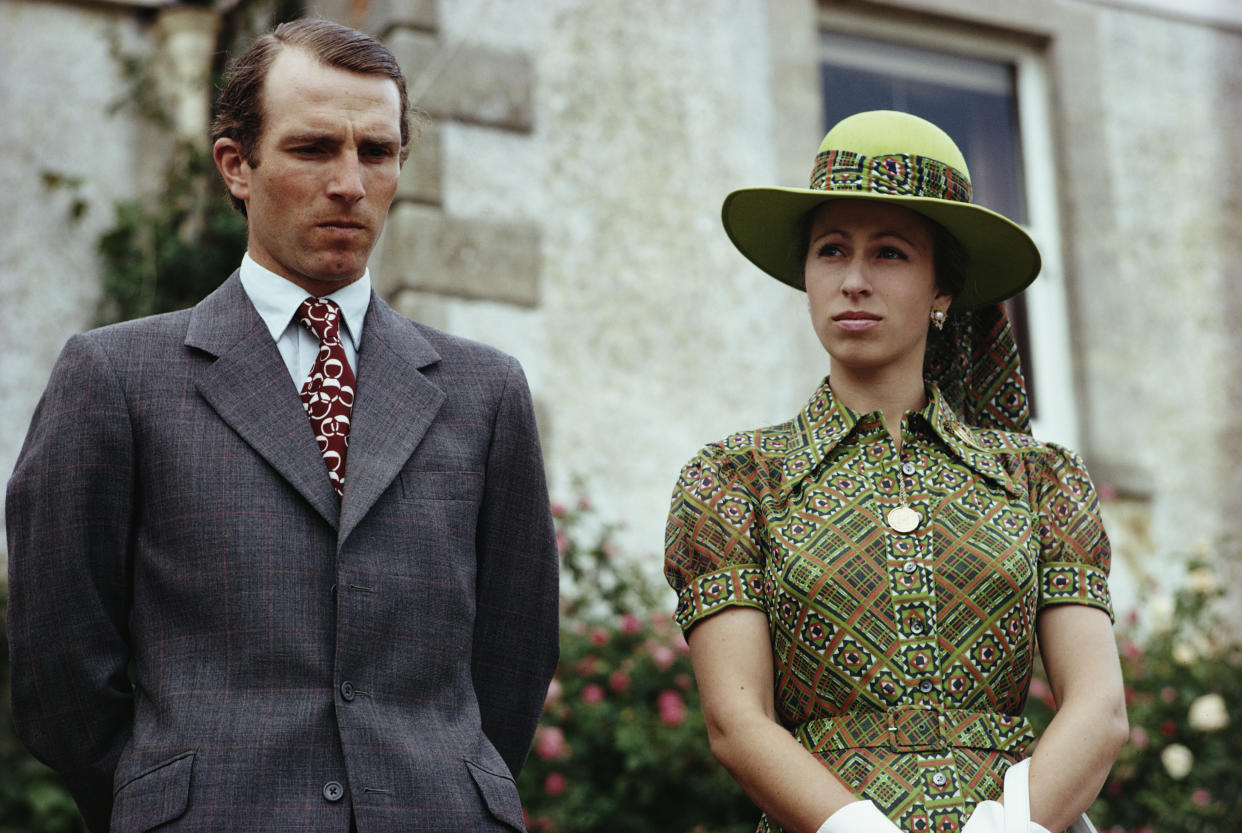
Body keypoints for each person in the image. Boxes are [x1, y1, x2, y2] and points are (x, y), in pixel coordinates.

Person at [6, 19, 558, 833]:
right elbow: (60, 665)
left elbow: (515, 652)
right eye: (312, 149)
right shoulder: (117, 377)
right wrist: (159, 798)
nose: (349, 182)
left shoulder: (486, 391)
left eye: (376, 151)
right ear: (238, 165)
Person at [664, 110, 1128, 833]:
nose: (852, 280)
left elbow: (1098, 708)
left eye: (889, 254)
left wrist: (1007, 828)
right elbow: (736, 720)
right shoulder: (735, 480)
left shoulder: (1039, 478)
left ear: (943, 289)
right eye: (830, 251)